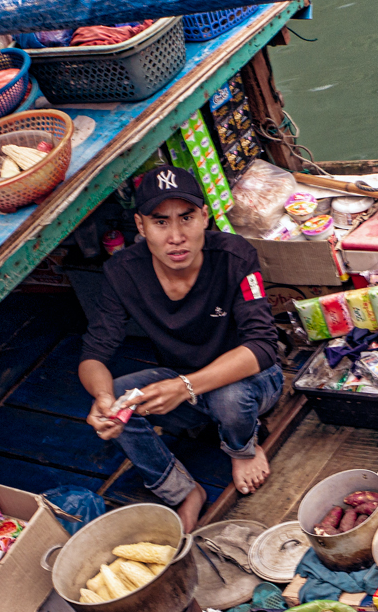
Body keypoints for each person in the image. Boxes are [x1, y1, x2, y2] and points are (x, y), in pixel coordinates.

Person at [79, 164, 282, 531]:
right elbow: (94, 352)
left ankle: (242, 448)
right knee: (121, 397)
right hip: (181, 384)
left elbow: (264, 346)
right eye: (160, 222)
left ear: (204, 217)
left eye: (186, 218)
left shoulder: (235, 256)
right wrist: (104, 398)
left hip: (251, 381)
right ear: (141, 227)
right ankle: (183, 492)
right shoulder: (122, 271)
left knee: (229, 397)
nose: (176, 237)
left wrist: (186, 386)